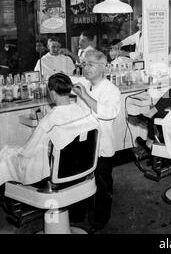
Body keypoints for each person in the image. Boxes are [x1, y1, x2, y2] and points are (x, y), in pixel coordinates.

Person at [0, 73, 99, 187]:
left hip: (51, 171)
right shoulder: (84, 112)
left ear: (52, 93)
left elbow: (28, 152)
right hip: (78, 167)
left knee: (6, 153)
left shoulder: (49, 121)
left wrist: (13, 153)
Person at [71, 50, 121, 232]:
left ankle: (99, 221)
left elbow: (109, 114)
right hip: (82, 142)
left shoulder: (111, 90)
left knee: (102, 185)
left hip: (101, 146)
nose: (86, 67)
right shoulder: (83, 82)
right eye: (84, 64)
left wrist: (85, 96)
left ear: (103, 67)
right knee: (77, 180)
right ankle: (76, 217)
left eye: (90, 64)